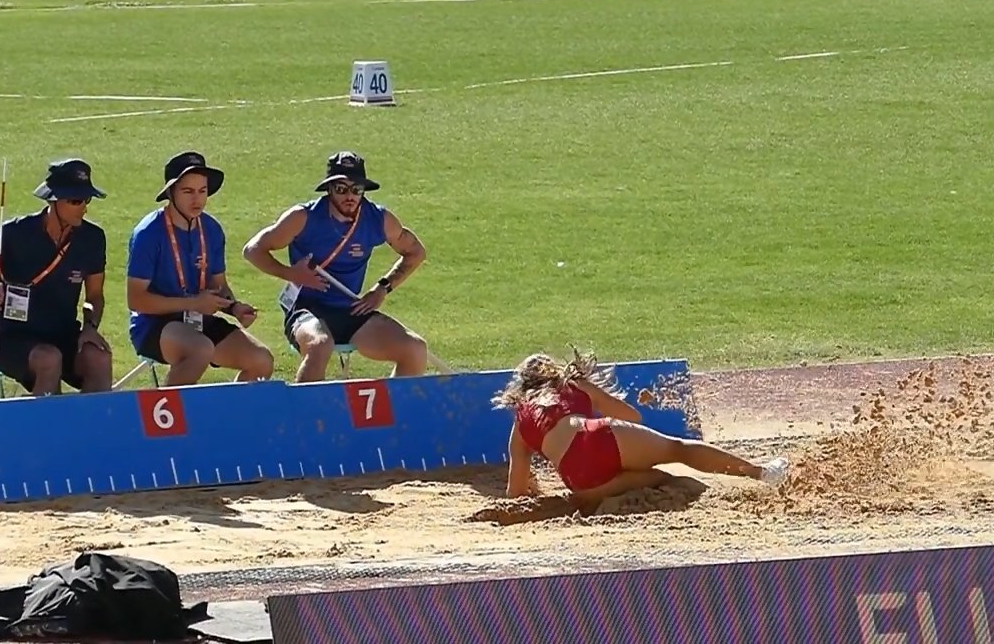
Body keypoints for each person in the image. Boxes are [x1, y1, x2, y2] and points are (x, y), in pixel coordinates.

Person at [495, 350, 790, 512]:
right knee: (678, 450)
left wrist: (533, 486)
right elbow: (631, 417)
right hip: (596, 435)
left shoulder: (520, 425)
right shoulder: (572, 385)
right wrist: (591, 401)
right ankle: (760, 473)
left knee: (663, 481)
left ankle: (715, 504)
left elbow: (516, 493)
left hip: (580, 481)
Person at [242, 150, 428, 382]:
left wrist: (382, 288)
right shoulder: (302, 217)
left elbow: (415, 252)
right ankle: (305, 417)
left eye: (356, 189)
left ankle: (395, 414)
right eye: (341, 189)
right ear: (329, 189)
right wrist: (291, 273)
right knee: (320, 344)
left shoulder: (379, 219)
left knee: (415, 348)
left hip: (350, 308)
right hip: (305, 309)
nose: (349, 196)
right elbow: (252, 250)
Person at [0, 158, 114, 396]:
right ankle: (47, 431)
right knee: (49, 359)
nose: (84, 207)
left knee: (99, 357)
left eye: (87, 199)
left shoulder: (93, 238)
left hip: (64, 334)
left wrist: (90, 326)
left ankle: (92, 429)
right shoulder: (14, 233)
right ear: (53, 200)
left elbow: (94, 296)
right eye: (76, 200)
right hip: (13, 339)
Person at [126, 151, 273, 387]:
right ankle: (166, 420)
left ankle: (227, 419)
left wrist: (234, 307)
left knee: (261, 360)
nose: (197, 200)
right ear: (170, 192)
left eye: (202, 191)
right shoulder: (148, 233)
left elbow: (219, 286)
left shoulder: (212, 229)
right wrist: (193, 303)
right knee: (200, 349)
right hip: (153, 324)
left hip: (197, 317)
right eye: (188, 192)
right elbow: (136, 300)